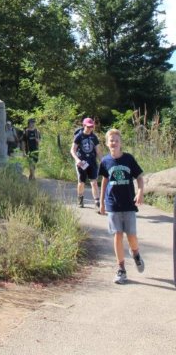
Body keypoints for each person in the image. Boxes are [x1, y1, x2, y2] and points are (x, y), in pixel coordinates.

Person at [98, 128, 145, 285]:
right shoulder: (105, 161)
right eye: (111, 140)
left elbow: (139, 176)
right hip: (113, 204)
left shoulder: (128, 159)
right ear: (107, 143)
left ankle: (136, 253)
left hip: (129, 204)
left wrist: (140, 192)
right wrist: (102, 202)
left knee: (131, 236)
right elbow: (105, 181)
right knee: (117, 235)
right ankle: (121, 269)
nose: (114, 143)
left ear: (120, 143)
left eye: (116, 140)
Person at [71, 117, 101, 210]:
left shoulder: (94, 137)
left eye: (91, 126)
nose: (90, 128)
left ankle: (97, 202)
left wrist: (103, 161)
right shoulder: (79, 136)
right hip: (81, 163)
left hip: (92, 162)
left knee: (94, 182)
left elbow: (98, 151)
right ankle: (80, 198)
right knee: (81, 182)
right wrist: (77, 160)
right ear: (84, 125)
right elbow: (72, 150)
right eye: (88, 126)